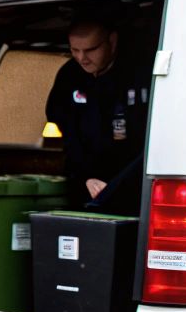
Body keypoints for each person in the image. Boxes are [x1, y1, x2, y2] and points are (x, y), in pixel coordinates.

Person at [45, 18, 151, 208]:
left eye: (91, 49)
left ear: (112, 41)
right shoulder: (69, 76)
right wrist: (85, 177)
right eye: (74, 50)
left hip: (135, 185)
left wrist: (119, 185)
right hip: (84, 182)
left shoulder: (140, 73)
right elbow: (67, 133)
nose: (82, 58)